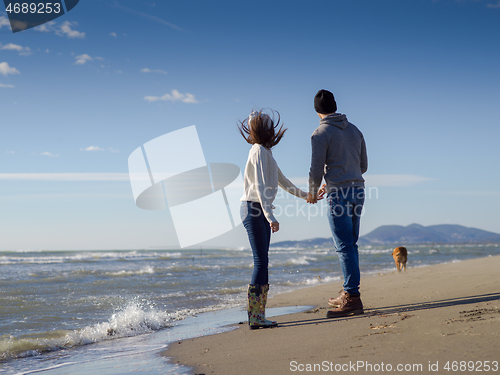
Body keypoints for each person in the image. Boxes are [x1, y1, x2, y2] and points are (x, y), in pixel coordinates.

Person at [239, 109, 321, 329]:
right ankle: (255, 317)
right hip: (253, 208)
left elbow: (282, 181)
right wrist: (270, 215)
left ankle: (258, 315)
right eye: (268, 127)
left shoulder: (266, 153)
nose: (271, 131)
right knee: (260, 261)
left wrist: (308, 196)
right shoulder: (257, 151)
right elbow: (261, 186)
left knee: (263, 261)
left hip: (259, 208)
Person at [307, 89, 368, 318]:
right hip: (358, 189)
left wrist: (313, 192)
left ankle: (352, 298)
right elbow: (363, 166)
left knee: (344, 245)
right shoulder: (355, 130)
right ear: (335, 106)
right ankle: (348, 292)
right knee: (351, 243)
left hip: (339, 194)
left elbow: (315, 169)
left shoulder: (320, 133)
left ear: (317, 111)